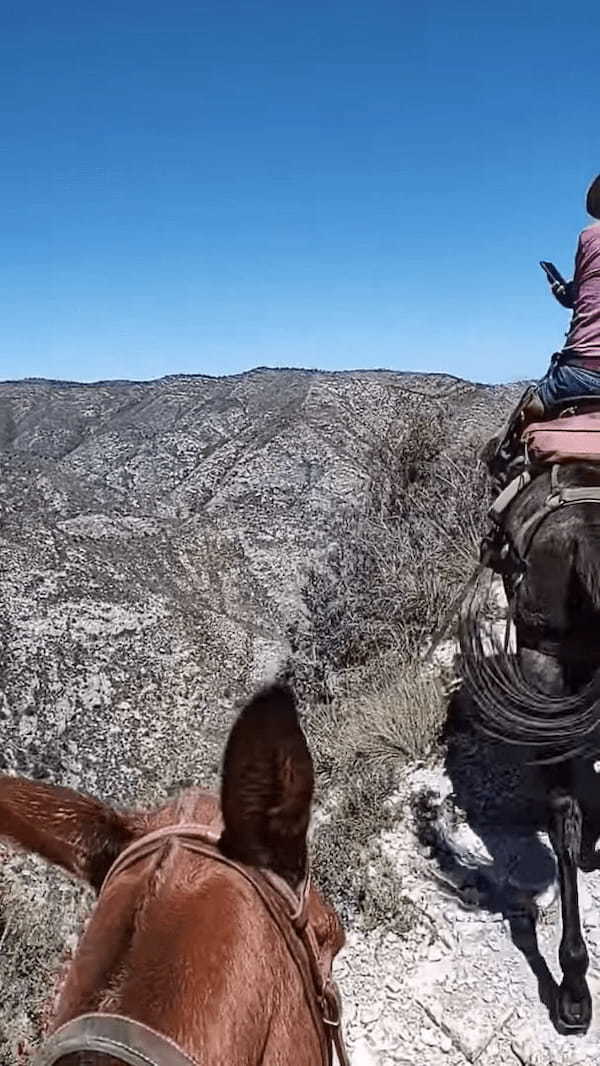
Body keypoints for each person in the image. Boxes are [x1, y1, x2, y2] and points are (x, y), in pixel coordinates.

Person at [487, 174, 600, 478]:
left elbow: (587, 292)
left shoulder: (589, 237)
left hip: (580, 374)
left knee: (510, 444)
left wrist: (566, 294)